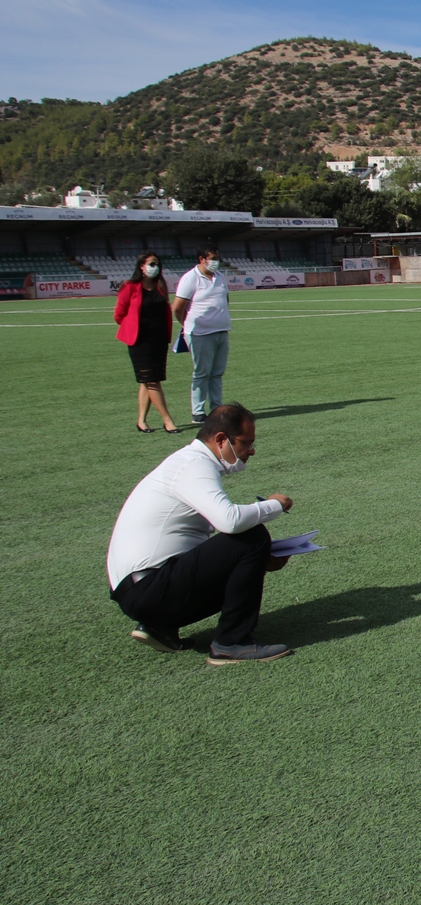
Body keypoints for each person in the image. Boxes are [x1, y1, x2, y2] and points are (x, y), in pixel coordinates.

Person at [105, 403, 294, 664]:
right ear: (220, 439)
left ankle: (159, 626)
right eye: (246, 443)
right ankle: (232, 642)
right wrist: (275, 505)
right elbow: (230, 521)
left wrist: (259, 562)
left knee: (248, 548)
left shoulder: (188, 463)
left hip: (141, 590)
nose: (251, 451)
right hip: (148, 590)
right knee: (253, 536)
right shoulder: (193, 465)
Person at [114, 251, 179, 433]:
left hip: (158, 339)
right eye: (151, 264)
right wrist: (133, 327)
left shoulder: (160, 285)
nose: (155, 267)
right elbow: (119, 314)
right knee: (152, 381)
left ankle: (141, 421)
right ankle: (168, 420)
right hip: (139, 341)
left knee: (147, 380)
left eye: (157, 264)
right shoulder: (129, 286)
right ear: (141, 266)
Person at [172, 246, 231, 422]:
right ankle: (198, 412)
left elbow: (225, 300)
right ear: (201, 259)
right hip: (200, 334)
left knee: (217, 373)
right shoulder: (190, 278)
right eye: (212, 258)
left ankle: (216, 408)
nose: (216, 262)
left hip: (221, 331)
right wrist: (187, 325)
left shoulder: (219, 277)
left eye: (217, 258)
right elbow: (177, 308)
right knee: (202, 372)